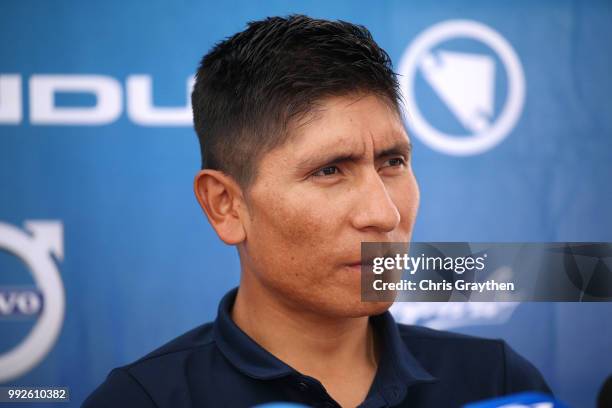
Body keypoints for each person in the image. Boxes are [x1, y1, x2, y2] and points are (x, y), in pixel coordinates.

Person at [83, 14, 551, 408]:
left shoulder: (498, 383)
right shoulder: (143, 400)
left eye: (393, 162)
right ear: (226, 205)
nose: (383, 213)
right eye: (329, 170)